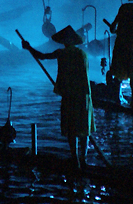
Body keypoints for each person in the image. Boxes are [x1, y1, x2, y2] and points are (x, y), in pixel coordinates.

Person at [22, 25, 95, 171]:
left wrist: (29, 48)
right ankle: (83, 158)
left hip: (70, 94)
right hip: (84, 95)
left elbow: (42, 56)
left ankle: (75, 159)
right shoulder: (83, 54)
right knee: (83, 126)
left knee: (71, 126)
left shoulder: (62, 53)